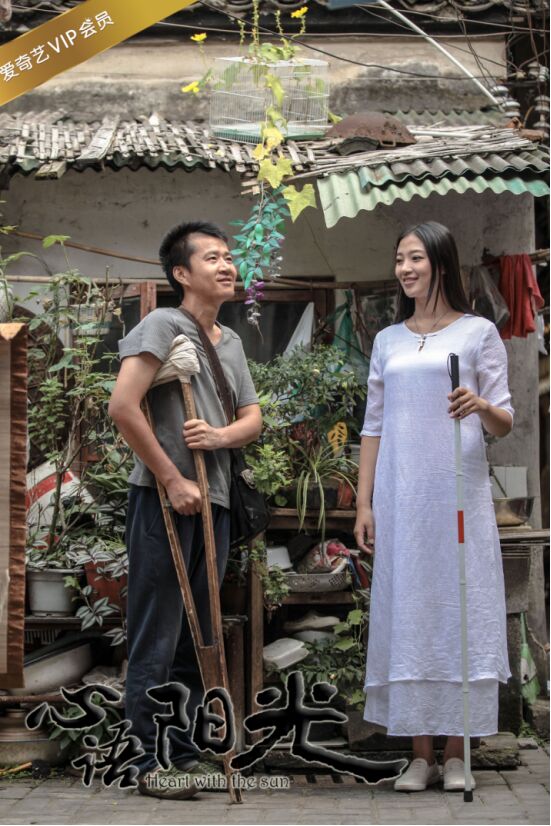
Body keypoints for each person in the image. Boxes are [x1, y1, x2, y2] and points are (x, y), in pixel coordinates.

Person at [354, 221, 513, 793]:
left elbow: (504, 418)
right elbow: (373, 425)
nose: (405, 269)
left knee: (459, 609)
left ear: (441, 264)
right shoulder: (387, 340)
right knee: (410, 610)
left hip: (457, 495)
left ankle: (457, 752)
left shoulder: (478, 333)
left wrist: (478, 405)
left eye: (415, 258)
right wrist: (364, 502)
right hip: (401, 497)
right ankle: (419, 754)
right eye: (400, 259)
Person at [109, 221, 262, 799]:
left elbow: (252, 418)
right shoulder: (162, 325)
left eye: (228, 256)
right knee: (158, 630)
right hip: (164, 499)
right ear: (181, 273)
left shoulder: (231, 342)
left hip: (214, 500)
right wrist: (171, 478)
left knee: (199, 634)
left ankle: (184, 753)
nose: (227, 265)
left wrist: (219, 437)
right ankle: (146, 762)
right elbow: (123, 406)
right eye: (212, 258)